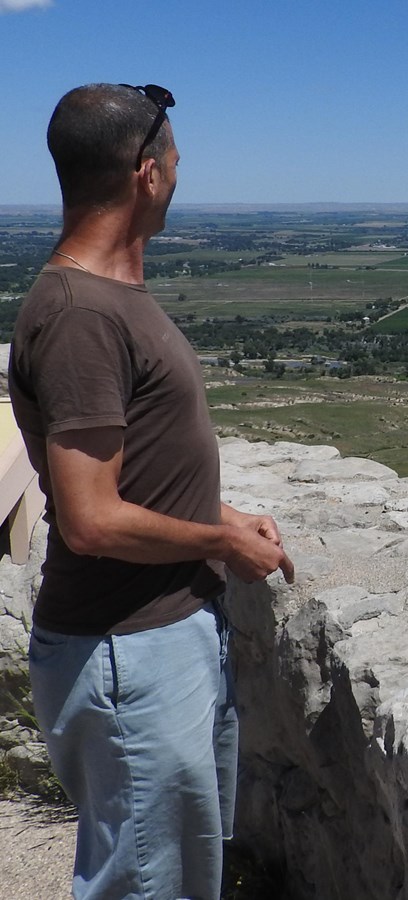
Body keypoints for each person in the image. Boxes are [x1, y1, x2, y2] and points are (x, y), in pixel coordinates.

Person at [8, 83, 294, 900]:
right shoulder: (82, 316)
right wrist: (219, 541)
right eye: (175, 159)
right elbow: (93, 519)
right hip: (125, 650)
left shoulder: (105, 298)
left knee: (176, 869)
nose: (179, 173)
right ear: (146, 173)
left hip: (153, 639)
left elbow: (130, 475)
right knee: (145, 882)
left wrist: (218, 513)